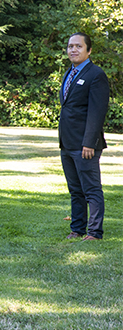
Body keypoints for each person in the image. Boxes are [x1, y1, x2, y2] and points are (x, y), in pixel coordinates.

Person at [59, 32, 109, 241]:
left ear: (89, 50)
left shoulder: (95, 75)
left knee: (91, 189)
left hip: (85, 145)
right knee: (75, 190)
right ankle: (77, 228)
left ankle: (94, 232)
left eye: (78, 46)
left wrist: (89, 142)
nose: (73, 50)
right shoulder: (68, 74)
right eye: (71, 46)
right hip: (67, 143)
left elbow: (97, 112)